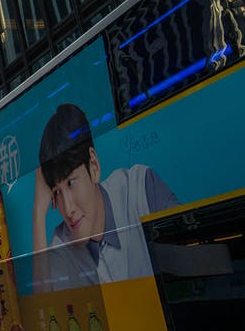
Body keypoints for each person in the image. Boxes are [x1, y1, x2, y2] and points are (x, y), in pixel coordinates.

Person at [32, 104, 179, 292]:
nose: (68, 210)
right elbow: (45, 311)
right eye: (57, 192)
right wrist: (38, 214)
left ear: (93, 166)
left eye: (71, 183)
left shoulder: (139, 189)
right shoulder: (61, 244)